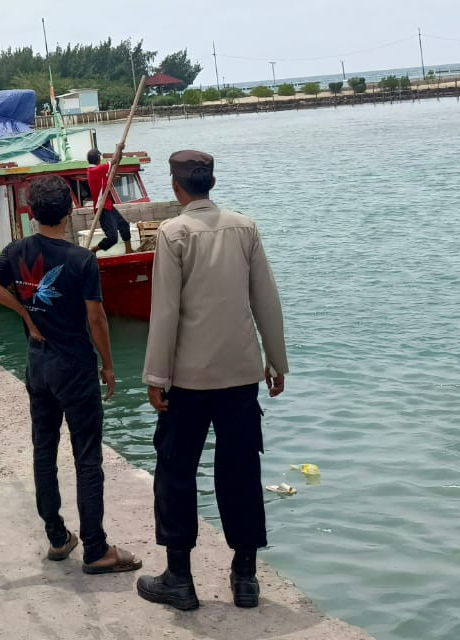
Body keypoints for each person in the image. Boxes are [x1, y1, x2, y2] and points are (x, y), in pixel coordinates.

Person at [136, 150, 288, 614]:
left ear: (176, 186)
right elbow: (266, 298)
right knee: (241, 472)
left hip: (188, 380)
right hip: (241, 375)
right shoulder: (245, 227)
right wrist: (276, 361)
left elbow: (164, 312)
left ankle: (179, 579)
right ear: (212, 182)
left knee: (176, 473)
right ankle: (245, 578)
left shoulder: (173, 232)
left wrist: (155, 376)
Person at [0, 175, 138, 574]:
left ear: (30, 212)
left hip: (38, 365)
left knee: (43, 452)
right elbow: (96, 318)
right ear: (68, 211)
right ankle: (97, 550)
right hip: (74, 367)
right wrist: (109, 363)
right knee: (86, 457)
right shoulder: (81, 260)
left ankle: (57, 537)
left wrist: (25, 313)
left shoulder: (17, 250)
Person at [85, 148, 134, 253]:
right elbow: (113, 161)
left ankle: (129, 250)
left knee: (124, 225)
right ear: (98, 159)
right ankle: (93, 250)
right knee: (112, 238)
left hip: (108, 205)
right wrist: (119, 150)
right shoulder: (94, 171)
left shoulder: (96, 171)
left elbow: (112, 169)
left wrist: (119, 157)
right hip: (102, 208)